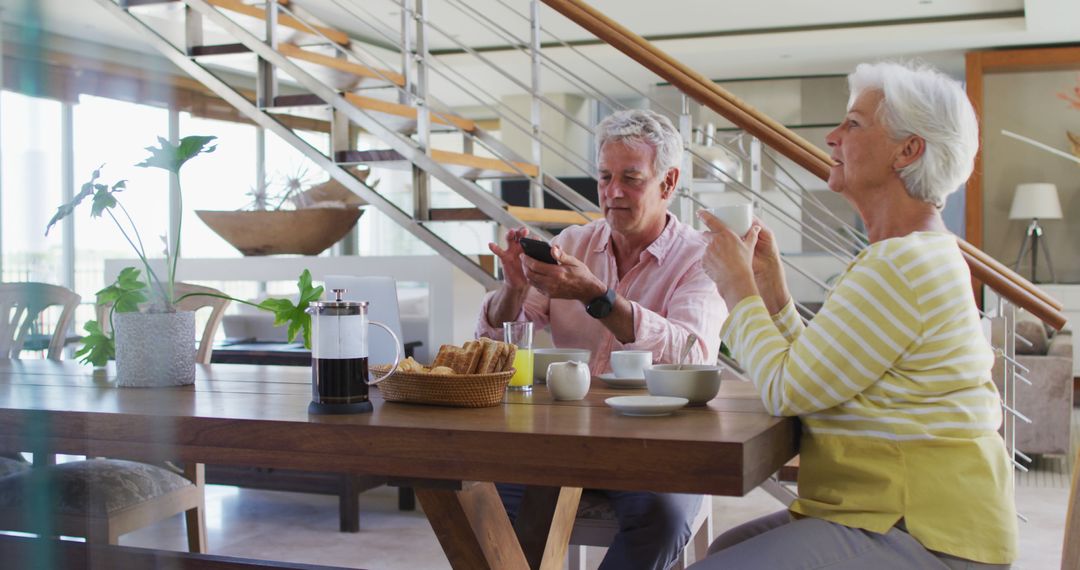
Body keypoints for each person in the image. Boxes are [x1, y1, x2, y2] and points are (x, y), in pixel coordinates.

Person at [691, 61, 1017, 569]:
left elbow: (784, 389)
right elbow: (815, 378)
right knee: (725, 550)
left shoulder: (901, 264)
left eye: (854, 124)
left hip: (922, 530)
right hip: (900, 515)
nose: (832, 136)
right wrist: (773, 293)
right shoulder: (916, 254)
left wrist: (736, 286)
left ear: (908, 151)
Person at [476, 108, 726, 570]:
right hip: (566, 441)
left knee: (662, 518)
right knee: (479, 498)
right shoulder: (572, 244)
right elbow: (497, 341)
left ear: (668, 184)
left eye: (631, 178)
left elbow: (692, 353)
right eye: (605, 177)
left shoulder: (701, 259)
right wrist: (512, 288)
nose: (612, 193)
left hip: (659, 445)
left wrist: (596, 296)